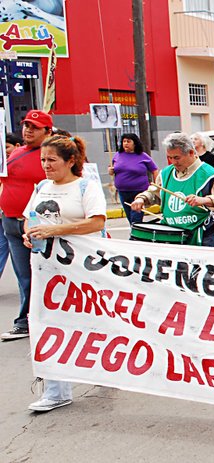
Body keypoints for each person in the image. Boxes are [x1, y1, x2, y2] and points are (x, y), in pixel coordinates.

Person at [21, 135, 107, 411]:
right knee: (48, 322)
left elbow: (96, 222)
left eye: (52, 160)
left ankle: (107, 368)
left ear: (71, 161)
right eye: (43, 160)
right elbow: (29, 218)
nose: (46, 165)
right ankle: (56, 390)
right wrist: (28, 234)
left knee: (92, 321)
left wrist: (55, 230)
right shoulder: (42, 187)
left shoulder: (85, 187)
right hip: (46, 267)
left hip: (82, 268)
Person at [0, 110, 50, 341]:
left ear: (47, 131)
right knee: (24, 276)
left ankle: (48, 318)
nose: (28, 130)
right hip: (11, 222)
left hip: (39, 224)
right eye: (26, 125)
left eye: (35, 127)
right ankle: (25, 321)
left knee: (45, 272)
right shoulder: (15, 153)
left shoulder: (51, 155)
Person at [132, 133, 214, 246]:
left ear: (191, 152)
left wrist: (204, 200)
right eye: (170, 158)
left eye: (177, 157)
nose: (173, 162)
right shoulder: (166, 173)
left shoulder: (208, 173)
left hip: (199, 236)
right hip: (170, 235)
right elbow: (154, 192)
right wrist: (142, 199)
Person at [109, 133, 158, 226]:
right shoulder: (117, 155)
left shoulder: (143, 156)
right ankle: (137, 235)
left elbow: (154, 170)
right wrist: (111, 171)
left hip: (139, 192)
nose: (126, 144)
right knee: (130, 218)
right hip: (123, 192)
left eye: (128, 141)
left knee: (136, 219)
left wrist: (155, 186)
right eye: (124, 141)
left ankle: (135, 237)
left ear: (134, 143)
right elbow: (113, 170)